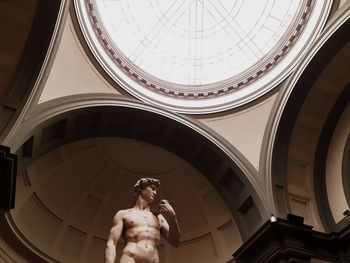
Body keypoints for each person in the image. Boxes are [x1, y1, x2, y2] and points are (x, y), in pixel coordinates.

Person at [105, 178, 180, 263]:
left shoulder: (159, 217)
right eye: (152, 188)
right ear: (141, 188)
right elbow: (111, 243)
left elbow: (175, 242)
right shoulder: (123, 214)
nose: (155, 193)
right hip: (130, 259)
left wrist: (172, 216)